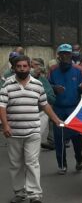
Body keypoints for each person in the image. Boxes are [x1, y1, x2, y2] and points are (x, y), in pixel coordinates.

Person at [0, 55, 63, 203]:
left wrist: (56, 120)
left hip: (33, 131)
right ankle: (20, 193)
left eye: (25, 66)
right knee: (16, 164)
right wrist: (5, 125)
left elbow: (44, 104)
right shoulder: (7, 85)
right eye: (19, 66)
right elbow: (1, 106)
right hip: (14, 132)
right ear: (14, 68)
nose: (22, 69)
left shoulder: (37, 85)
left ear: (29, 67)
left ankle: (34, 195)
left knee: (32, 162)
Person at [48, 44, 82, 175]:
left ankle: (79, 158)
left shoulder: (78, 69)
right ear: (58, 55)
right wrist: (54, 89)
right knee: (59, 137)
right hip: (58, 109)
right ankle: (62, 164)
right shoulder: (53, 70)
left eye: (68, 54)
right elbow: (48, 86)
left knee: (76, 136)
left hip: (73, 108)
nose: (65, 56)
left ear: (71, 55)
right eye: (62, 54)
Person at [30, 58, 56, 150]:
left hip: (41, 113)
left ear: (41, 68)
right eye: (31, 65)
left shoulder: (44, 81)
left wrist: (41, 93)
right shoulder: (23, 79)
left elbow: (52, 98)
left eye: (36, 65)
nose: (33, 68)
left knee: (34, 140)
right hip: (25, 115)